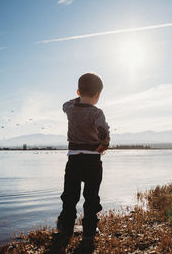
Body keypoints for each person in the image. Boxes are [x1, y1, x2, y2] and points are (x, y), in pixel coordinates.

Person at [56, 72, 110, 251]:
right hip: (93, 160)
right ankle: (88, 231)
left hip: (73, 159)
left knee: (70, 196)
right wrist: (104, 143)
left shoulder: (70, 108)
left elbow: (64, 104)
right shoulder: (97, 112)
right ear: (97, 95)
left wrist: (78, 98)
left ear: (78, 92)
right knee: (91, 196)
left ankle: (66, 229)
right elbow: (103, 132)